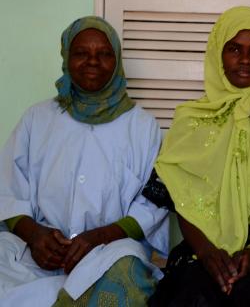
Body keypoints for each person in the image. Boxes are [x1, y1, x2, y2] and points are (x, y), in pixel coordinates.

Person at [147, 6, 250, 306]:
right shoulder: (192, 119)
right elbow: (180, 198)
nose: (245, 60)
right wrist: (209, 254)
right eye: (234, 49)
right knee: (189, 294)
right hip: (203, 252)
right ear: (217, 54)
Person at [0, 16, 169, 306]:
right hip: (36, 253)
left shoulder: (143, 127)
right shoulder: (37, 119)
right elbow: (7, 189)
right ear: (66, 58)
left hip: (110, 251)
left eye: (104, 54)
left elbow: (152, 205)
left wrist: (98, 238)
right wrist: (36, 236)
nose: (93, 61)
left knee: (127, 279)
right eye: (81, 53)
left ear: (116, 62)